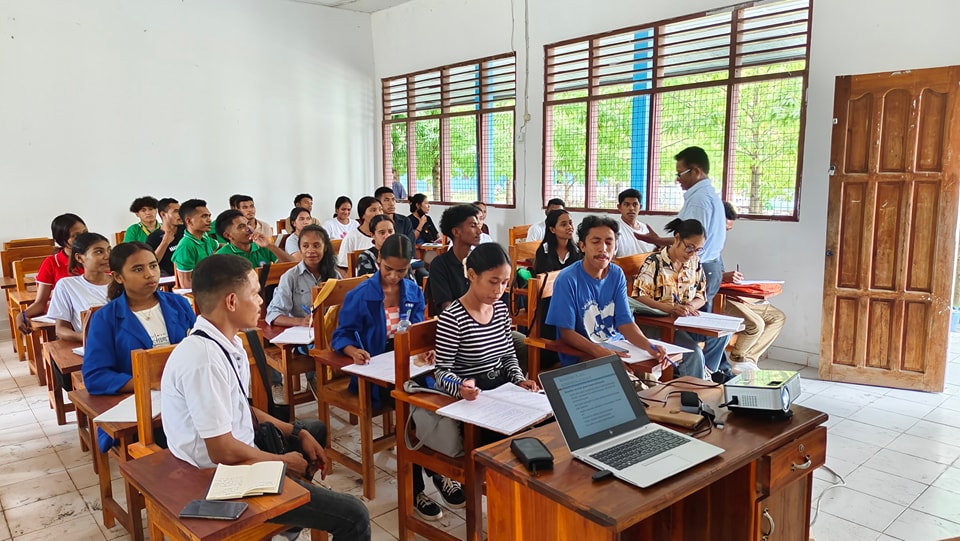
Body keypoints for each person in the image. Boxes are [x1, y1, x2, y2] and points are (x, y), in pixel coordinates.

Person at [160, 254, 370, 540]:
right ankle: (287, 507)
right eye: (256, 294)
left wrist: (296, 431)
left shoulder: (227, 342)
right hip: (216, 477)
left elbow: (242, 409)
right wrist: (279, 462)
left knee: (312, 430)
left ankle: (293, 515)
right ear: (232, 302)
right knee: (354, 515)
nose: (261, 301)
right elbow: (222, 451)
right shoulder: (203, 358)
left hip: (236, 455)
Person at [331, 233, 461, 520]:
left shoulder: (413, 291)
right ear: (379, 260)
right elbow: (340, 334)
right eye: (388, 268)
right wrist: (353, 350)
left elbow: (420, 331)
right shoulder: (361, 295)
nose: (393, 276)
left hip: (409, 367)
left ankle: (437, 470)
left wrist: (427, 351)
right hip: (374, 372)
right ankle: (416, 486)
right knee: (411, 410)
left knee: (438, 400)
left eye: (401, 271)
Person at [82, 242, 196, 451]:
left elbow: (198, 347)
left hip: (186, 393)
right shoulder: (106, 318)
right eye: (137, 269)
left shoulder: (178, 304)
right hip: (143, 405)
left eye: (153, 266)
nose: (149, 274)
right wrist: (147, 382)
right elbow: (95, 376)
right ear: (118, 277)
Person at [544, 215, 667, 369]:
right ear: (582, 246)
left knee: (652, 376)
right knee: (629, 383)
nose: (603, 248)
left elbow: (625, 323)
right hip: (583, 353)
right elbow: (566, 332)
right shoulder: (567, 279)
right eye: (595, 242)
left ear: (615, 248)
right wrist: (598, 351)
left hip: (617, 347)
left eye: (609, 243)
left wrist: (648, 345)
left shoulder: (616, 274)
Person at [633, 219, 731, 380]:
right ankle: (693, 393)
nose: (692, 254)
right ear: (677, 238)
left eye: (698, 250)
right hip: (658, 323)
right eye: (689, 247)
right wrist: (670, 309)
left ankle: (707, 373)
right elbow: (639, 296)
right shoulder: (655, 262)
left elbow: (701, 295)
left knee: (724, 333)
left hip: (683, 321)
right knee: (694, 353)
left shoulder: (694, 262)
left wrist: (691, 306)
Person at [637, 147, 727, 309]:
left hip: (702, 267)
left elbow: (692, 237)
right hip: (709, 265)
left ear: (696, 171)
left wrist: (656, 240)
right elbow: (639, 294)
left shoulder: (699, 199)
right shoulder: (708, 194)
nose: (677, 179)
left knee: (696, 325)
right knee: (693, 321)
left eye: (680, 174)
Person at [720, 202, 785, 372]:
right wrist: (723, 277)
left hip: (730, 292)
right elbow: (698, 281)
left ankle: (748, 359)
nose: (725, 233)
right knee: (756, 324)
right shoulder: (702, 243)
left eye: (728, 229)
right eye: (723, 227)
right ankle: (739, 358)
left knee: (777, 317)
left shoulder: (716, 244)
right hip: (716, 297)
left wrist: (730, 280)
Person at [17, 213, 87, 334]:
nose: (84, 239)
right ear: (63, 241)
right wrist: (21, 316)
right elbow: (40, 303)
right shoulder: (52, 263)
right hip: (67, 321)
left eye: (85, 233)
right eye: (75, 236)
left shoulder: (97, 258)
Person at [265, 225, 340, 328]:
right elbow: (273, 315)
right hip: (303, 334)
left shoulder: (335, 275)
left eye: (316, 245)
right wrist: (300, 321)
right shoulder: (290, 277)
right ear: (300, 248)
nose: (311, 250)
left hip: (330, 332)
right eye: (305, 246)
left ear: (325, 248)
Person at [47, 233, 112, 342]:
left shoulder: (121, 281)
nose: (107, 256)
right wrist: (86, 338)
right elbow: (60, 329)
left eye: (109, 250)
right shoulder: (67, 286)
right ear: (79, 258)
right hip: (95, 345)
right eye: (99, 252)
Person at [428, 204, 482, 314]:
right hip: (457, 325)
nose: (479, 231)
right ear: (456, 232)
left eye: (478, 225)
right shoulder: (440, 265)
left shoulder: (481, 261)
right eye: (473, 226)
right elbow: (447, 308)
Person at [215, 209, 294, 267]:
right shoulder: (222, 257)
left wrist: (270, 246)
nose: (249, 229)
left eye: (248, 224)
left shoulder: (262, 246)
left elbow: (293, 265)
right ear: (228, 235)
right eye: (241, 226)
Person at [170, 198, 218, 289]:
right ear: (189, 221)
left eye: (209, 216)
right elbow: (186, 284)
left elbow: (218, 246)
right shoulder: (186, 246)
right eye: (204, 216)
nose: (209, 220)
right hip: (201, 293)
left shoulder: (205, 238)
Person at [337, 196, 382, 271]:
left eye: (380, 209)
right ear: (363, 215)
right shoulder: (351, 238)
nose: (378, 213)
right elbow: (343, 268)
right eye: (373, 210)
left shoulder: (386, 235)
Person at [533, 209, 581, 275]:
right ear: (552, 229)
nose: (569, 227)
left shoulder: (577, 250)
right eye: (563, 225)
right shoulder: (544, 251)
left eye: (570, 223)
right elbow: (542, 278)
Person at [145, 198, 184, 277]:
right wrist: (165, 242)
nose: (180, 214)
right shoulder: (153, 237)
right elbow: (151, 262)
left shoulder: (186, 230)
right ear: (163, 214)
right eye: (176, 211)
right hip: (167, 277)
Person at [614, 188, 655, 257]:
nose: (631, 208)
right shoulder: (615, 229)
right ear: (619, 207)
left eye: (635, 204)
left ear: (640, 207)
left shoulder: (646, 229)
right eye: (627, 204)